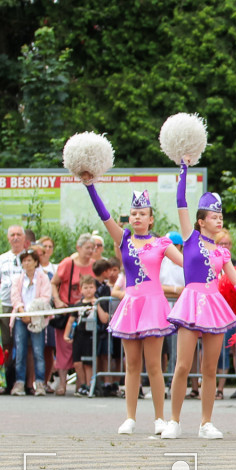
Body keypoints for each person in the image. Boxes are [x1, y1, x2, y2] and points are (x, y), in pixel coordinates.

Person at [162, 163, 236, 440]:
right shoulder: (190, 238)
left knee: (210, 369)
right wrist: (182, 170)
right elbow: (180, 202)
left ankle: (206, 422)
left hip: (215, 306)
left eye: (221, 216)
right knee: (183, 365)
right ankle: (174, 420)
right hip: (191, 302)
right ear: (201, 221)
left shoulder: (223, 253)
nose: (219, 220)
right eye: (214, 216)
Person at [81, 182, 183, 432]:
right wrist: (90, 186)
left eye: (142, 214)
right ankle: (130, 417)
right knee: (132, 364)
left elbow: (185, 264)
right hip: (131, 305)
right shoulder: (123, 238)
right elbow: (104, 215)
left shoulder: (161, 243)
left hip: (153, 304)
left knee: (154, 365)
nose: (136, 217)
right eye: (133, 213)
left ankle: (160, 418)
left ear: (151, 219)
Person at [50, 233, 97, 396]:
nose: (90, 251)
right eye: (87, 248)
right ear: (78, 248)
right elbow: (54, 283)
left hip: (86, 311)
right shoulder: (67, 263)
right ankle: (62, 383)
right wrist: (57, 300)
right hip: (68, 308)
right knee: (64, 347)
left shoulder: (94, 264)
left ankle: (81, 383)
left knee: (81, 350)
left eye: (93, 248)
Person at [9, 249, 51, 396]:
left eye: (29, 260)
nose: (27, 263)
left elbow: (46, 297)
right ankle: (19, 382)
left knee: (38, 351)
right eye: (24, 261)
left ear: (35, 262)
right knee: (20, 351)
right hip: (22, 318)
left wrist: (33, 313)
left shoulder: (43, 278)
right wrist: (22, 312)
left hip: (37, 319)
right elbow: (15, 297)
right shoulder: (18, 279)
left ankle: (39, 383)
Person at [63, 274, 108, 396]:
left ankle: (89, 385)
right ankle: (82, 385)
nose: (88, 290)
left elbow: (104, 319)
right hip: (79, 335)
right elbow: (71, 320)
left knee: (89, 363)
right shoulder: (78, 305)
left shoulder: (99, 302)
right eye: (85, 287)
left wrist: (96, 305)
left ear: (95, 289)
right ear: (81, 289)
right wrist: (66, 335)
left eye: (91, 287)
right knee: (77, 362)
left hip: (92, 336)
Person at [0, 224, 28, 393]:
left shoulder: (29, 258)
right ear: (8, 238)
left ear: (24, 239)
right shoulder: (2, 259)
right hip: (5, 304)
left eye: (19, 234)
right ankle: (5, 380)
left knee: (24, 345)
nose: (16, 237)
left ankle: (22, 380)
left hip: (24, 307)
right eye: (13, 235)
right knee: (5, 344)